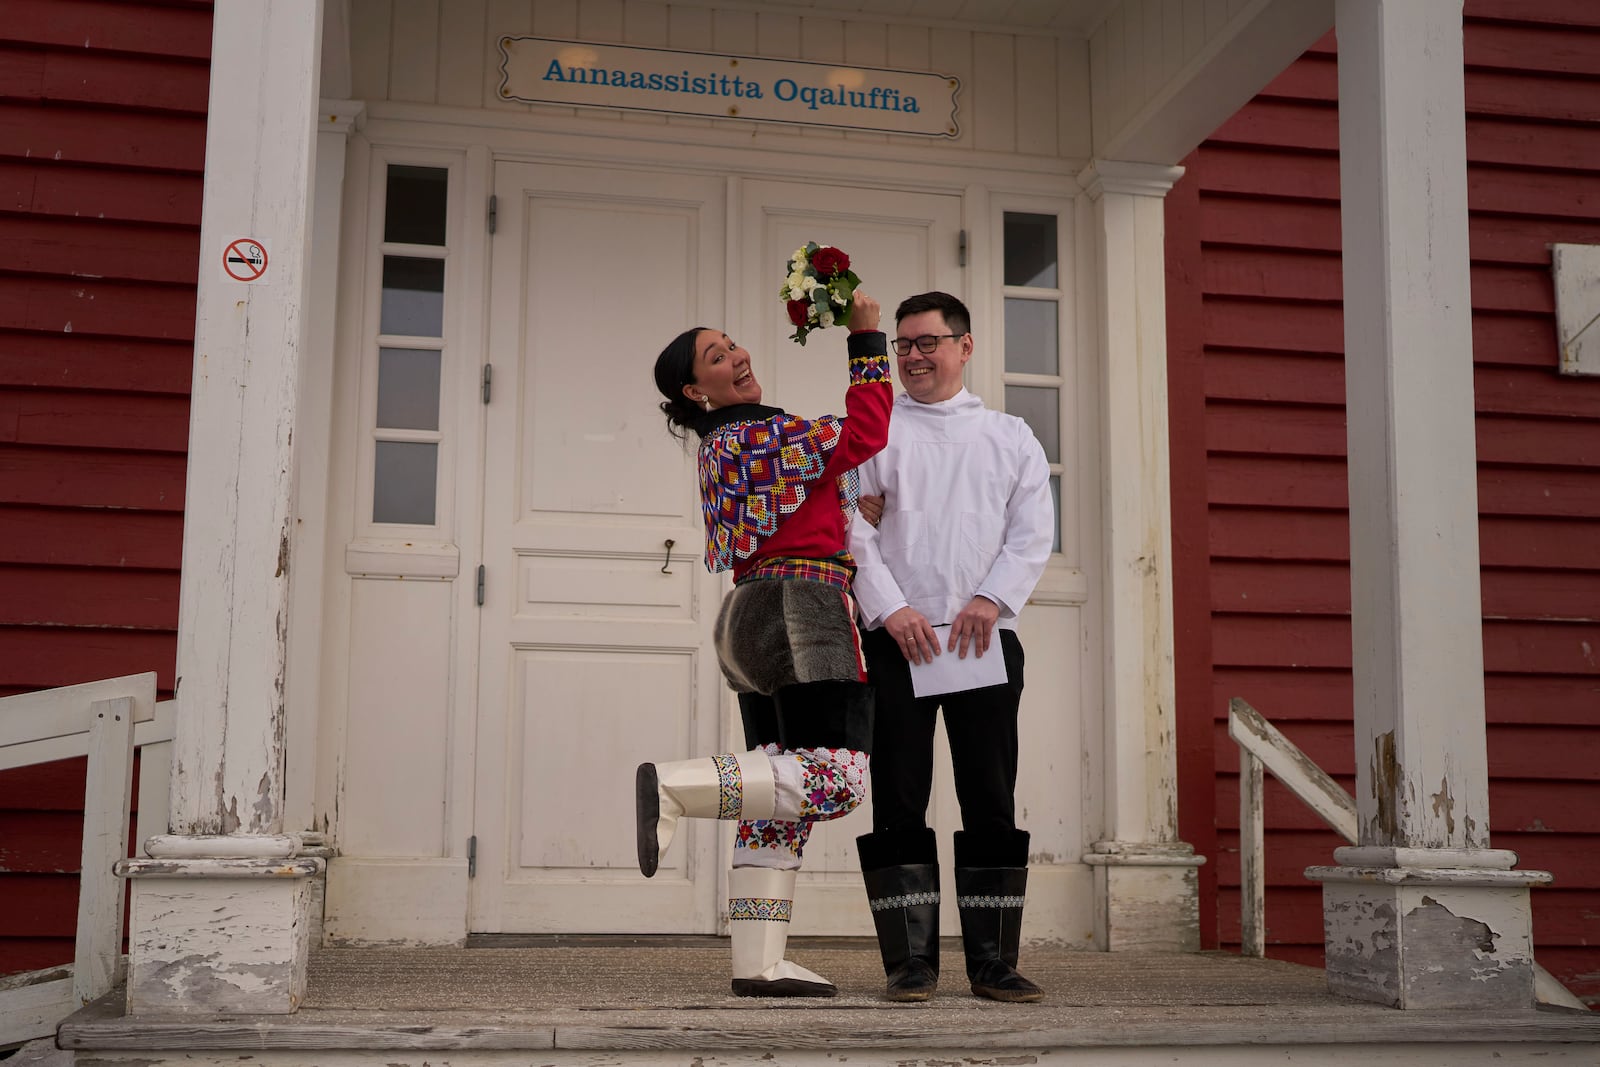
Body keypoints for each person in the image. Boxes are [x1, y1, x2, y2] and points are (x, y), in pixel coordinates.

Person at [637, 291, 891, 998]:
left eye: (733, 344)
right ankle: (675, 787)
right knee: (836, 776)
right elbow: (866, 430)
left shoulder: (725, 444)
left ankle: (759, 959)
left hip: (751, 615)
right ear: (696, 389)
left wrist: (846, 504)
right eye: (717, 356)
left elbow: (809, 494)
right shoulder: (756, 432)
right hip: (801, 607)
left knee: (779, 790)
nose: (738, 356)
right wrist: (865, 338)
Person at [849, 291, 1054, 1003]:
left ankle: (993, 962)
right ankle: (910, 963)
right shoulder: (873, 433)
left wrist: (991, 597)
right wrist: (891, 606)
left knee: (990, 795)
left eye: (927, 342)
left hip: (979, 640)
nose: (912, 355)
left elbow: (1032, 531)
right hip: (899, 642)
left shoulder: (1009, 434)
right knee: (899, 797)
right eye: (902, 344)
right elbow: (853, 531)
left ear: (964, 347)